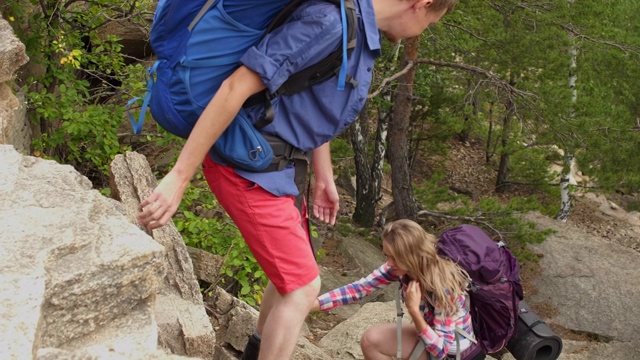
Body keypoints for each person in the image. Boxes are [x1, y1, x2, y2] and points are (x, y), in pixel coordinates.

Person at [137, 0, 456, 359]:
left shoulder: (356, 32)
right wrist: (179, 177)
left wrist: (324, 174)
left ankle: (255, 352)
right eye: (431, 22)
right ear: (422, 4)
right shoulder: (329, 24)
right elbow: (234, 87)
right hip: (249, 168)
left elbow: (306, 99)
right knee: (303, 288)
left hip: (279, 168)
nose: (424, 31)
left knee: (291, 275)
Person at [312, 219, 476, 360]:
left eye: (394, 257)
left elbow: (441, 350)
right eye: (387, 255)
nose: (389, 263)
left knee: (374, 341)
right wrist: (311, 305)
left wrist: (414, 312)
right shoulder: (401, 268)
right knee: (371, 341)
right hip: (429, 333)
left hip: (455, 350)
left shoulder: (443, 284)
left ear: (411, 255)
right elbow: (358, 289)